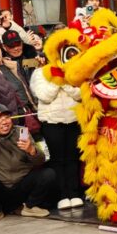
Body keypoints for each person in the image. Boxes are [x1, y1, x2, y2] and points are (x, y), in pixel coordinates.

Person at [0, 104, 55, 224]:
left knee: (48, 174)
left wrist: (32, 150)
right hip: (0, 187)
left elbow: (40, 160)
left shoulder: (22, 131)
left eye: (7, 117)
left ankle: (30, 206)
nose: (4, 122)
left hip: (22, 183)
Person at [30, 65, 82, 210]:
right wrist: (57, 80)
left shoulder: (73, 68)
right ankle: (62, 195)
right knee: (57, 160)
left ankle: (74, 193)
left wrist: (65, 83)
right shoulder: (39, 72)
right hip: (51, 122)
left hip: (73, 120)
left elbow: (80, 94)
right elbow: (44, 96)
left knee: (73, 158)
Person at [0, 37, 34, 118]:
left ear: (1, 50)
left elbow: (25, 90)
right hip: (10, 118)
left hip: (28, 112)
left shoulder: (12, 65)